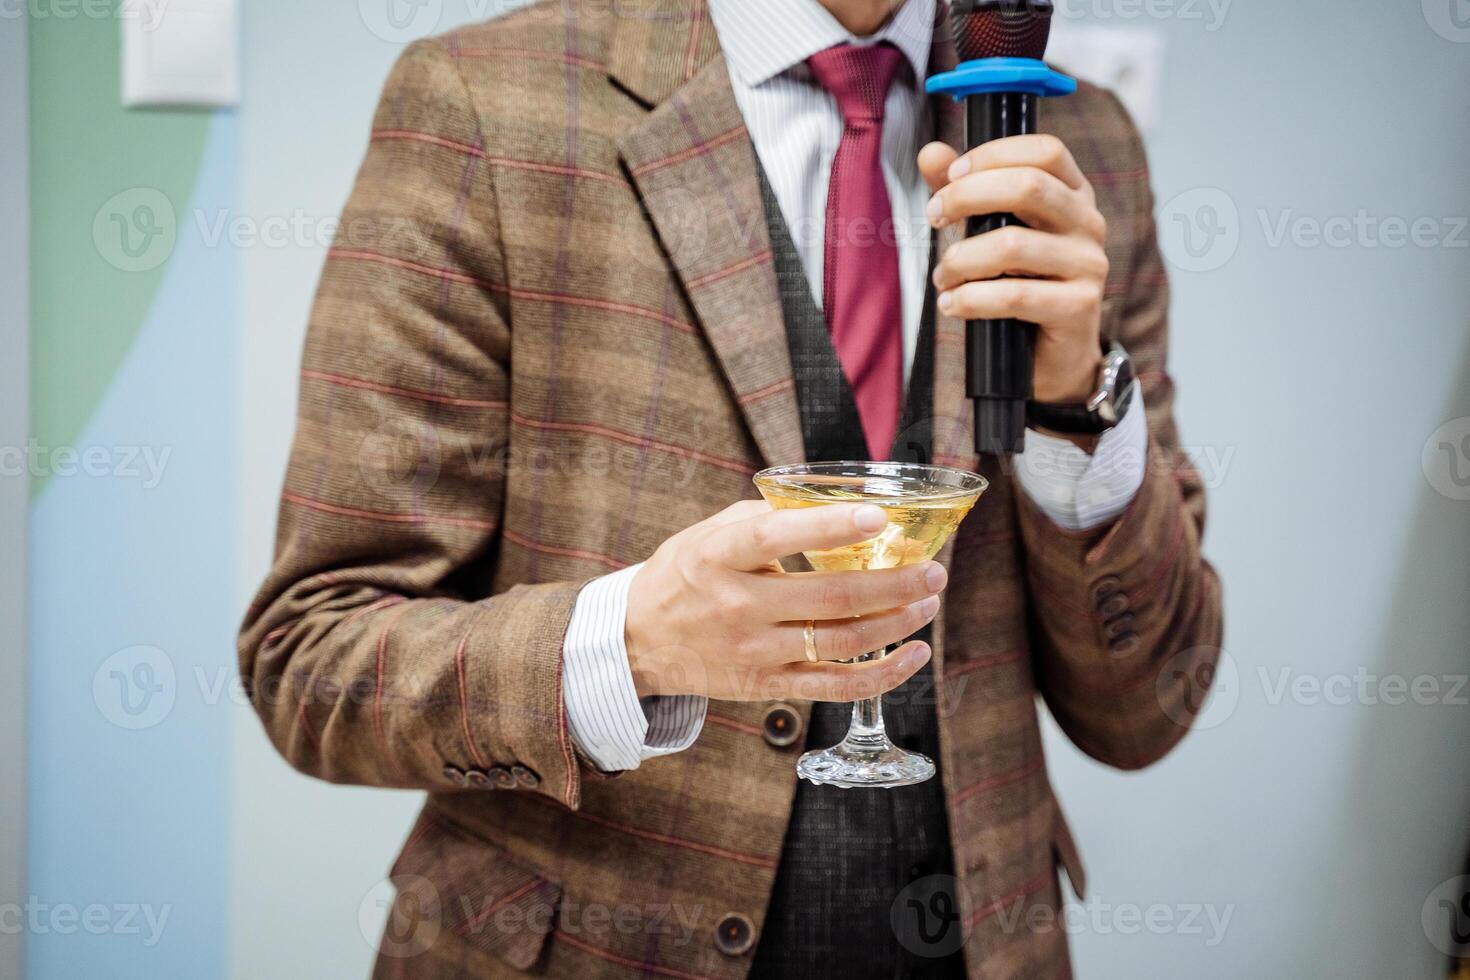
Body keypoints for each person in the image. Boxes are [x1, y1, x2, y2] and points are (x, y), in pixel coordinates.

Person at [238, 0, 1223, 976]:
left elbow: (1149, 706)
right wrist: (628, 643)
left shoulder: (1080, 142)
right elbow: (311, 657)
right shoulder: (487, 100)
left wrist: (1073, 403)